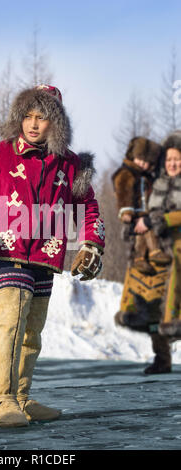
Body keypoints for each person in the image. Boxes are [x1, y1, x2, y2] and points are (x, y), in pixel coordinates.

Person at [0, 84, 105, 427]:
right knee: (8, 323)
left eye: (43, 117)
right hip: (7, 249)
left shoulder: (71, 165)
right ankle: (1, 401)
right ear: (19, 117)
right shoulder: (1, 153)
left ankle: (21, 398)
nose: (34, 124)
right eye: (28, 115)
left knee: (31, 331)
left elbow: (89, 208)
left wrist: (91, 243)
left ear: (57, 123)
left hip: (46, 254)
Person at [113, 136, 172, 374]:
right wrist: (130, 217)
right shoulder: (130, 176)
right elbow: (124, 197)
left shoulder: (156, 180)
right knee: (149, 308)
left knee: (163, 307)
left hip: (163, 250)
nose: (145, 165)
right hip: (144, 256)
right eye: (141, 160)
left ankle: (163, 358)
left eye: (149, 162)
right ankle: (162, 358)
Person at [143, 130, 181, 370]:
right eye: (169, 159)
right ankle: (162, 357)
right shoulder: (158, 184)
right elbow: (149, 216)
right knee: (153, 302)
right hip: (159, 249)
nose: (173, 164)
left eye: (177, 159)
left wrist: (164, 219)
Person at [112, 136, 171, 275]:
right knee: (139, 236)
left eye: (146, 162)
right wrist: (126, 211)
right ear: (133, 156)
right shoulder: (126, 173)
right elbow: (123, 192)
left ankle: (154, 252)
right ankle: (138, 259)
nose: (143, 164)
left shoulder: (147, 177)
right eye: (140, 159)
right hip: (134, 212)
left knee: (148, 231)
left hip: (146, 212)